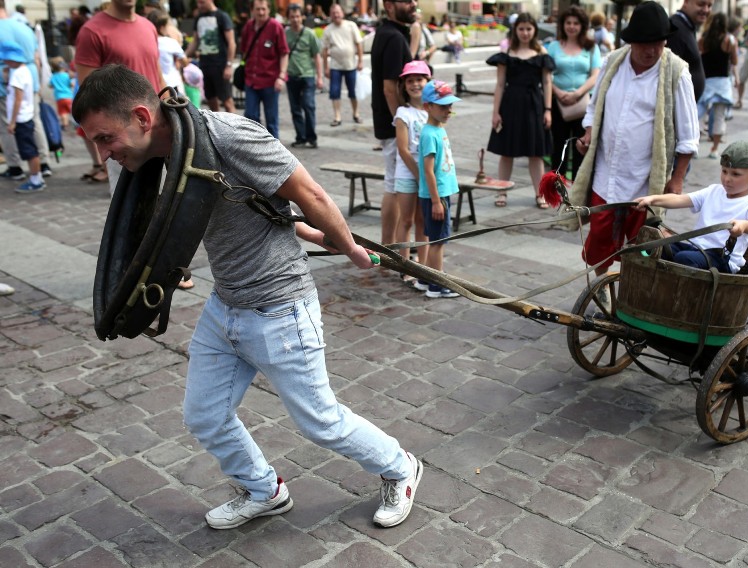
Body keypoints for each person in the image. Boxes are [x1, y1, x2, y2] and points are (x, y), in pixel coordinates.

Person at [72, 63, 423, 532]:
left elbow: (309, 193)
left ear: (140, 117)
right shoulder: (168, 156)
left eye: (104, 138)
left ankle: (401, 468)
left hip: (281, 307)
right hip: (225, 307)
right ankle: (264, 490)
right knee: (204, 415)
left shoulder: (229, 136)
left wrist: (350, 248)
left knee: (322, 422)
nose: (102, 153)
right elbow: (259, 205)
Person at [572, 1, 700, 304]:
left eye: (658, 43)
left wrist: (677, 179)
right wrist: (588, 132)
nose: (652, 50)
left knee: (641, 244)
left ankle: (633, 294)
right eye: (645, 44)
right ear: (631, 42)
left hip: (645, 178)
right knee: (600, 237)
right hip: (607, 172)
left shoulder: (677, 73)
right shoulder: (613, 62)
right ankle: (601, 290)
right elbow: (595, 106)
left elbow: (689, 135)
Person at [635, 141, 748, 273]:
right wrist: (652, 199)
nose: (727, 179)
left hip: (722, 258)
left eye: (735, 174)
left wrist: (744, 225)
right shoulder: (713, 191)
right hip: (695, 248)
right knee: (653, 246)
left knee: (684, 258)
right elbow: (680, 199)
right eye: (724, 171)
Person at [75, 0, 166, 192]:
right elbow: (88, 97)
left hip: (157, 136)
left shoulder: (148, 26)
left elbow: (158, 78)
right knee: (130, 212)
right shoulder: (91, 31)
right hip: (122, 140)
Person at [487, 12, 554, 209]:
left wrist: (548, 110)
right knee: (506, 151)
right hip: (510, 104)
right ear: (515, 30)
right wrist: (495, 112)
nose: (525, 32)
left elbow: (547, 83)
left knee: (536, 153)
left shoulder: (542, 53)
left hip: (534, 105)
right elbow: (499, 85)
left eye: (529, 28)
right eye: (521, 28)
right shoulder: (507, 54)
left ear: (534, 30)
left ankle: (540, 194)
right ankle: (501, 192)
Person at [370, 0, 414, 246]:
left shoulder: (389, 33)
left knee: (394, 185)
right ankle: (391, 248)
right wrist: (402, 127)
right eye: (406, 1)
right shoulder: (394, 37)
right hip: (394, 125)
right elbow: (390, 89)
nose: (413, 4)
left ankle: (390, 247)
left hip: (390, 122)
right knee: (396, 187)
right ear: (388, 5)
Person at [416, 80, 461, 299]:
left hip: (439, 194)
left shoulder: (436, 129)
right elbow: (428, 170)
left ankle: (425, 278)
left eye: (449, 105)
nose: (448, 110)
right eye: (443, 106)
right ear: (428, 107)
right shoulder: (430, 133)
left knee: (434, 237)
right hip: (438, 196)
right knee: (438, 242)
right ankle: (438, 284)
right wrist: (435, 201)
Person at [546, 6, 600, 182]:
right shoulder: (553, 46)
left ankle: (578, 186)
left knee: (580, 145)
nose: (571, 26)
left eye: (575, 23)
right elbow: (546, 76)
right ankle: (556, 186)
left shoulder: (591, 47)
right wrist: (558, 91)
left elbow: (596, 75)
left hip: (584, 104)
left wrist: (578, 92)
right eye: (568, 23)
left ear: (582, 25)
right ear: (562, 25)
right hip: (558, 102)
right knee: (558, 145)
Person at [0, 0, 52, 182]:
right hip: (31, 78)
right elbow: (37, 57)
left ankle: (15, 166)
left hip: (8, 84)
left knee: (8, 125)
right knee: (34, 122)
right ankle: (43, 162)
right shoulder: (24, 26)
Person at [393, 60, 430, 280]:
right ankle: (404, 265)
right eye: (411, 81)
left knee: (423, 222)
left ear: (428, 82)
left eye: (420, 80)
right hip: (408, 174)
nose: (415, 84)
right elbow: (403, 149)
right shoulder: (403, 113)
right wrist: (420, 175)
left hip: (428, 175)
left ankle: (424, 266)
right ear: (404, 86)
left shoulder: (432, 111)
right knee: (406, 220)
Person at [240, 0, 288, 140]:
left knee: (271, 120)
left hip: (270, 81)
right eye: (258, 9)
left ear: (268, 10)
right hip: (251, 81)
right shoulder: (248, 27)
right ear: (252, 10)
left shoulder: (275, 27)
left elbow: (284, 53)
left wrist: (281, 76)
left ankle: (275, 155)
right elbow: (243, 49)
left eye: (263, 9)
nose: (261, 12)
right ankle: (254, 151)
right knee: (250, 118)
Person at [2, 41, 44, 193]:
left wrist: (12, 122)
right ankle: (36, 177)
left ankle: (36, 179)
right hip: (26, 115)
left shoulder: (17, 75)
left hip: (21, 118)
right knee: (30, 149)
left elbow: (17, 99)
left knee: (28, 151)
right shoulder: (24, 70)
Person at [184, 0, 236, 113]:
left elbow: (232, 43)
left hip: (220, 65)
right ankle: (216, 127)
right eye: (198, 2)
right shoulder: (199, 18)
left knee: (227, 101)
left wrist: (229, 65)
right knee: (211, 100)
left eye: (202, 2)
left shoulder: (222, 16)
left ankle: (235, 128)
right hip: (205, 64)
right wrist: (184, 55)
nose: (199, 5)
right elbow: (196, 40)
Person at [698, 12, 737, 158]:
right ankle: (714, 149)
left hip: (706, 80)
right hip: (722, 82)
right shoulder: (729, 40)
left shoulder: (703, 40)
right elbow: (735, 61)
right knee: (719, 116)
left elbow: (697, 57)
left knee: (698, 115)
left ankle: (694, 147)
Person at [285, 4, 322, 148]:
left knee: (308, 105)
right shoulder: (285, 34)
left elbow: (316, 56)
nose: (295, 19)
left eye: (297, 16)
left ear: (302, 17)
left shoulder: (309, 34)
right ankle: (300, 136)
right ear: (288, 18)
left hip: (307, 75)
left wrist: (319, 77)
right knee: (295, 108)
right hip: (291, 75)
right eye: (292, 17)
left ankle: (311, 137)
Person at [322, 3, 362, 127]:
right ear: (330, 15)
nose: (336, 15)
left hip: (351, 65)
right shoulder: (328, 29)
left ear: (342, 13)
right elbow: (324, 50)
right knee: (334, 92)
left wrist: (360, 61)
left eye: (338, 12)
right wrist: (325, 68)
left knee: (353, 91)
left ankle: (356, 113)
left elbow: (358, 44)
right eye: (333, 13)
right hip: (335, 66)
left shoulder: (351, 26)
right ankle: (337, 116)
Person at [667, 0, 713, 100]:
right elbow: (668, 76)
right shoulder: (676, 28)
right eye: (701, 4)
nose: (706, 10)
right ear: (686, 2)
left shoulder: (687, 26)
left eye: (709, 5)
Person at [149, 9, 188, 94]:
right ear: (162, 27)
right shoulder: (170, 42)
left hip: (154, 86)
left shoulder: (147, 42)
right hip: (171, 85)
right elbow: (185, 62)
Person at [49, 58, 74, 129]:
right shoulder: (66, 75)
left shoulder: (53, 76)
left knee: (63, 112)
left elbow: (50, 85)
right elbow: (71, 84)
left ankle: (65, 124)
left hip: (59, 98)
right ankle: (77, 122)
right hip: (68, 97)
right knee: (72, 110)